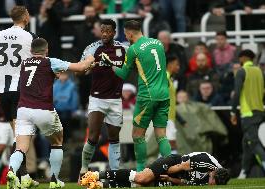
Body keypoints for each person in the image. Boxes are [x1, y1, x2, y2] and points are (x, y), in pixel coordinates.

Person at [6, 38, 95, 189]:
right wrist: (90, 57)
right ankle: (54, 180)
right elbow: (81, 67)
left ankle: (12, 171)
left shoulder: (24, 63)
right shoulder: (50, 61)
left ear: (31, 51)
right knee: (57, 141)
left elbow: (34, 79)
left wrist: (52, 75)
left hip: (23, 110)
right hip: (43, 109)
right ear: (46, 50)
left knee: (20, 147)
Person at [0, 5, 38, 186]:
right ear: (25, 17)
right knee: (22, 136)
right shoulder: (31, 37)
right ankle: (15, 174)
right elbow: (40, 63)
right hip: (23, 90)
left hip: (3, 90)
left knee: (18, 134)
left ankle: (24, 177)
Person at [110, 20, 171, 171]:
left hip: (147, 96)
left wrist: (110, 64)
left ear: (130, 33)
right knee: (161, 135)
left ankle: (140, 171)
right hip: (164, 93)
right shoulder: (158, 43)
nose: (126, 37)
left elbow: (123, 73)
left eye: (125, 34)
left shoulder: (134, 49)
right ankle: (171, 170)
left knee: (137, 135)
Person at [80, 19, 127, 174]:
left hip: (115, 99)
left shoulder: (123, 48)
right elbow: (79, 71)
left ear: (114, 32)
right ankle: (83, 169)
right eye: (103, 31)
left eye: (108, 31)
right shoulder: (92, 48)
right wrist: (88, 67)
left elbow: (134, 64)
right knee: (93, 136)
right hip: (97, 98)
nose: (105, 34)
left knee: (114, 138)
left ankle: (114, 173)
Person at [80, 152, 230, 188]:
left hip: (176, 175)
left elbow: (186, 182)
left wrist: (170, 180)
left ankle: (100, 185)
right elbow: (178, 167)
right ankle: (94, 174)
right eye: (212, 180)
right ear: (213, 172)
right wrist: (160, 173)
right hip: (173, 163)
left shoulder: (213, 178)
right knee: (142, 178)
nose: (211, 184)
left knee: (142, 185)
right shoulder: (205, 161)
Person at [230, 49, 265, 178]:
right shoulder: (260, 72)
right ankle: (243, 172)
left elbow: (237, 93)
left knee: (254, 143)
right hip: (260, 111)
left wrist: (233, 111)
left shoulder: (242, 71)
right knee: (246, 143)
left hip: (248, 113)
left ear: (243, 58)